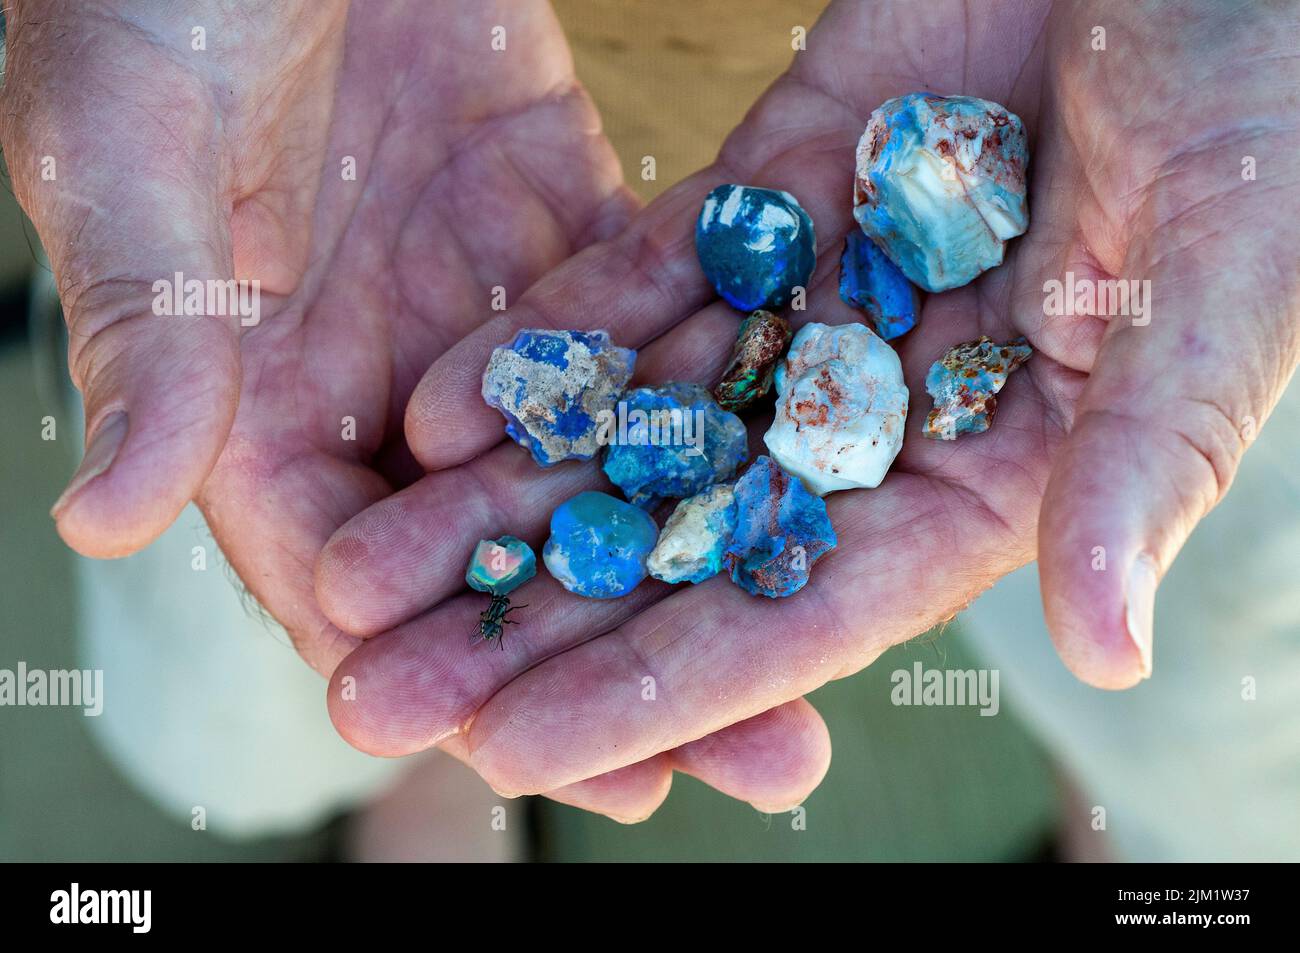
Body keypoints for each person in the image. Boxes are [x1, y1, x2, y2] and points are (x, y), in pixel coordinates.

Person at [5, 0, 1297, 848]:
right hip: (368, 92)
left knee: (1186, 697)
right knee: (296, 657)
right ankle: (453, 766)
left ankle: (1135, 822)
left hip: (1087, 121)